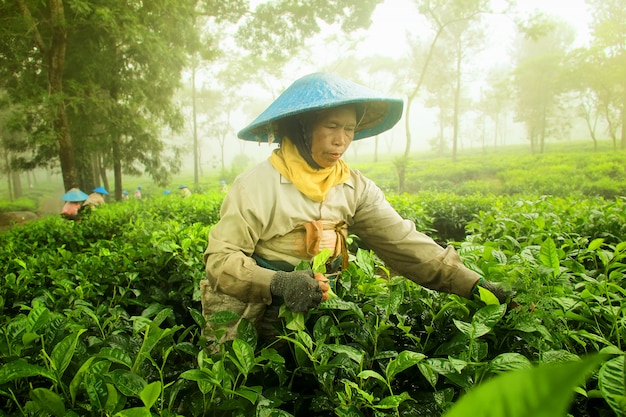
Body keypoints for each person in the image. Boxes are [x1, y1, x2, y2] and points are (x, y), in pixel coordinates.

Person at [201, 72, 513, 342]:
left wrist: (480, 287)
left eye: (349, 129)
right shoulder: (255, 186)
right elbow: (220, 261)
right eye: (331, 126)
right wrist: (278, 283)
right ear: (301, 128)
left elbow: (405, 245)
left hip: (320, 316)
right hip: (254, 314)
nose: (341, 140)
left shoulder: (354, 187)